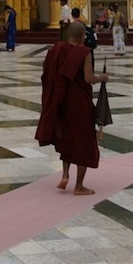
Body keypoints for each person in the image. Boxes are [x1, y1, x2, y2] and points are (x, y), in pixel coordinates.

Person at [34, 20, 107, 196]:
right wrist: (103, 78)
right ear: (83, 36)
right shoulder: (84, 53)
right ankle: (79, 186)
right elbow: (89, 78)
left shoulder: (56, 50)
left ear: (68, 35)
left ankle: (65, 175)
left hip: (62, 102)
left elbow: (47, 75)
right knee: (84, 142)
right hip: (80, 104)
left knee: (67, 138)